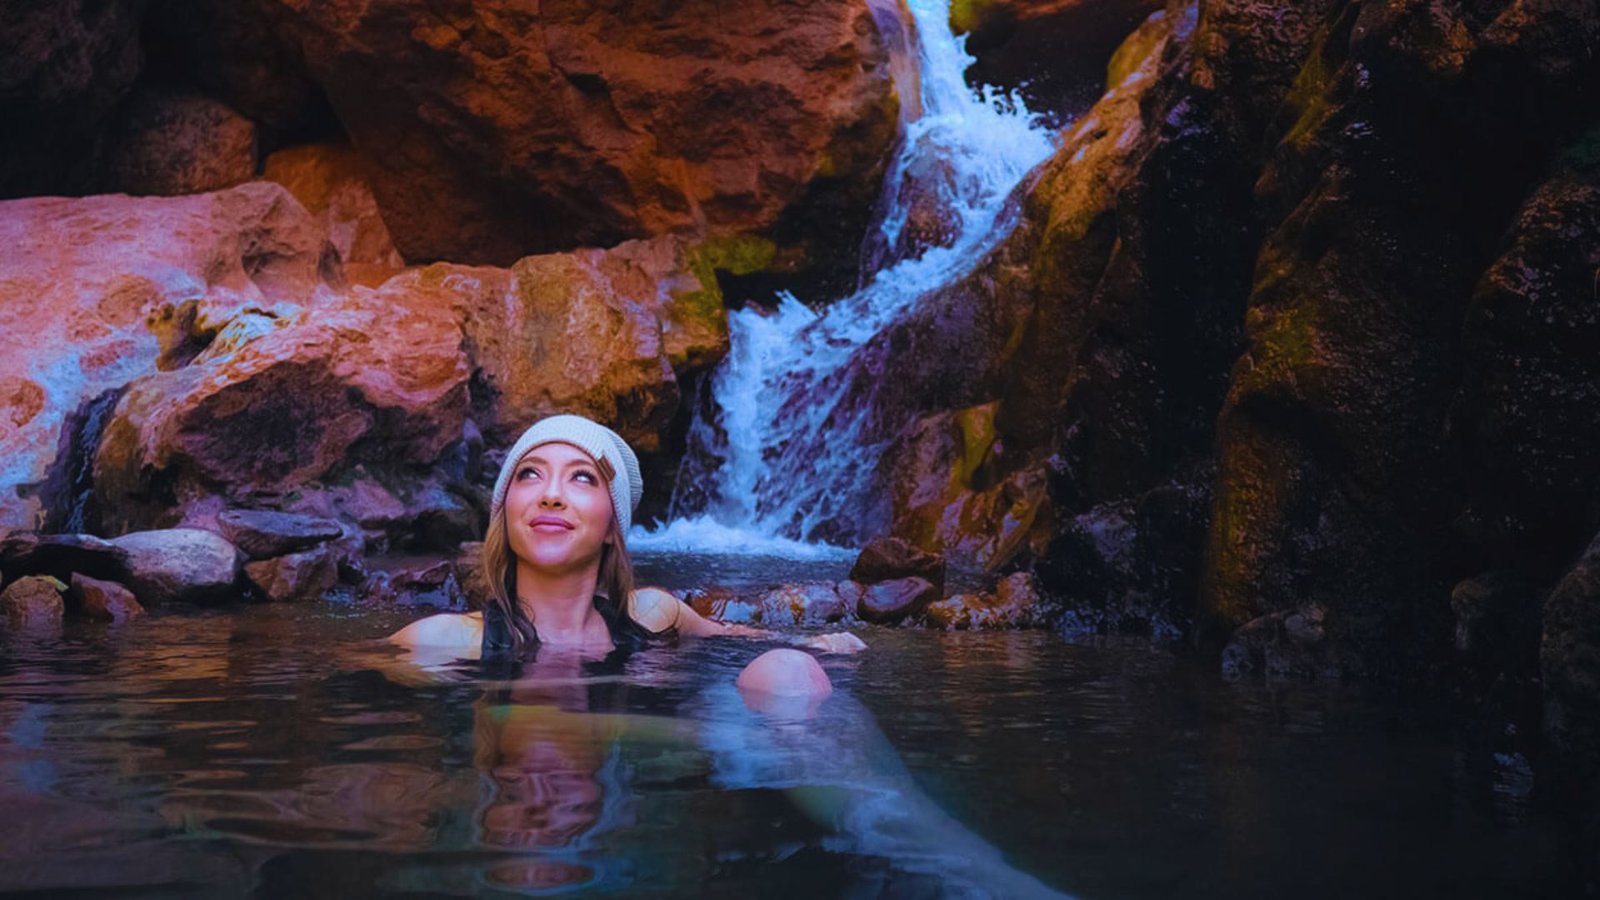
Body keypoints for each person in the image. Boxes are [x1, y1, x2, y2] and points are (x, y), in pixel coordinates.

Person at [389, 413, 865, 689]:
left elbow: (734, 635)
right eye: (529, 474)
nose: (550, 494)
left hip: (687, 746)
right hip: (526, 754)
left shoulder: (654, 614)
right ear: (504, 513)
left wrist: (811, 645)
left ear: (613, 529)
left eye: (582, 477)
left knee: (788, 673)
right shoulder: (441, 642)